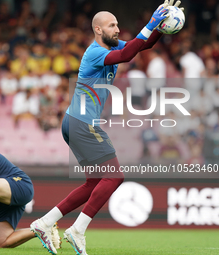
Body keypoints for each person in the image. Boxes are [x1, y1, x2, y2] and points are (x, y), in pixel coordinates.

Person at [30, 1, 184, 255]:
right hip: (81, 122)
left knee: (94, 183)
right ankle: (77, 230)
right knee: (115, 176)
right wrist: (150, 23)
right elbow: (126, 55)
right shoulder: (94, 52)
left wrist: (160, 26)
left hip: (75, 121)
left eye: (117, 24)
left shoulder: (112, 46)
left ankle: (44, 223)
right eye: (112, 25)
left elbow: (142, 45)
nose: (117, 29)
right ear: (98, 30)